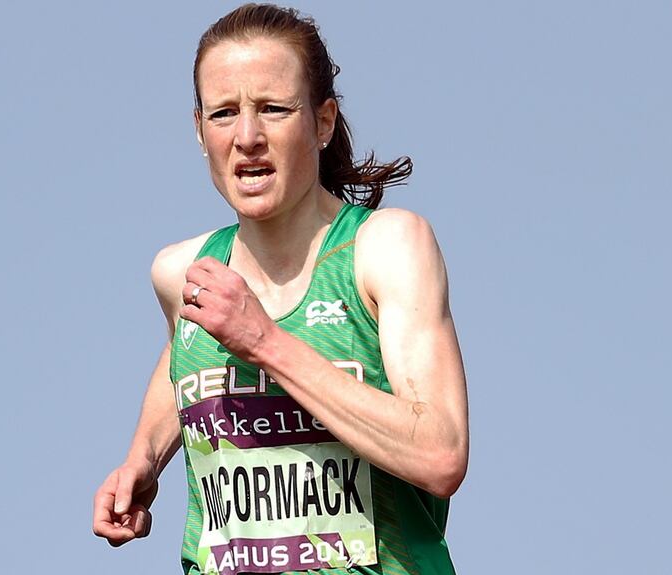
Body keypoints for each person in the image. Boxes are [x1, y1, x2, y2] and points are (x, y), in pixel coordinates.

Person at [92, 4, 469, 574]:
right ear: (199, 131)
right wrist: (143, 458)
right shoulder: (183, 273)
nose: (247, 137)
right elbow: (187, 355)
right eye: (223, 113)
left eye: (272, 109)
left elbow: (440, 453)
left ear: (322, 122)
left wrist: (265, 341)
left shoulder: (385, 249)